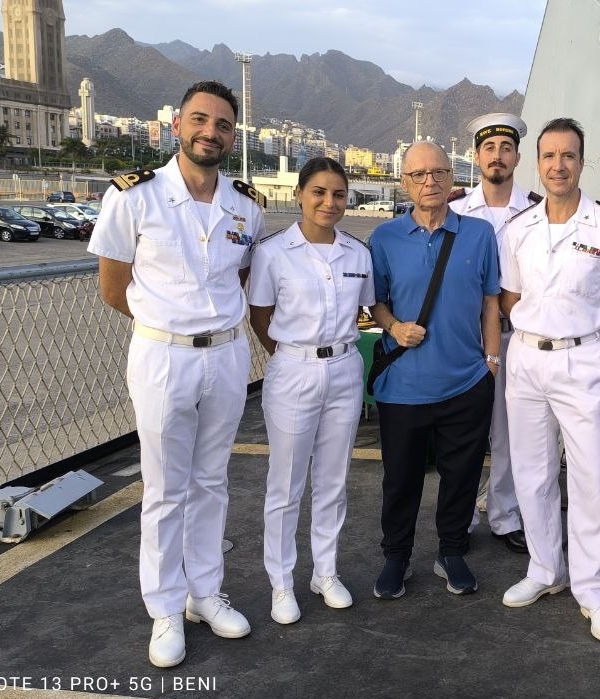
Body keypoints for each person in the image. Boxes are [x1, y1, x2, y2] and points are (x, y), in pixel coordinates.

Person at [89, 81, 266, 668]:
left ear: (232, 136)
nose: (209, 132)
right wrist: (165, 325)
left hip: (226, 353)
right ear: (176, 127)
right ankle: (165, 608)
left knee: (212, 481)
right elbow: (115, 289)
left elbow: (238, 280)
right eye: (199, 120)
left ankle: (204, 594)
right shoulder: (133, 197)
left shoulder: (245, 204)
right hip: (163, 355)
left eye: (221, 124)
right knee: (165, 489)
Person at [499, 118, 600, 643]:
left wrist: (590, 342)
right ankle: (546, 571)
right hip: (526, 360)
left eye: (568, 155)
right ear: (537, 163)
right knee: (533, 475)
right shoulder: (517, 229)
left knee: (589, 479)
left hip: (582, 362)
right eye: (548, 156)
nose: (557, 165)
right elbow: (511, 299)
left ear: (582, 162)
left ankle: (596, 591)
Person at [369, 142, 500, 599]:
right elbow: (376, 301)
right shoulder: (384, 238)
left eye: (439, 172)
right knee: (400, 479)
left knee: (461, 475)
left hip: (466, 383)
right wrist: (393, 326)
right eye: (420, 174)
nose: (430, 182)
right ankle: (396, 557)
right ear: (405, 182)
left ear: (452, 178)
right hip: (403, 387)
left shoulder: (480, 234)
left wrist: (491, 362)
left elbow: (490, 302)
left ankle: (452, 550)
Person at [248, 157, 375, 625]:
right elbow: (260, 314)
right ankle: (282, 583)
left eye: (339, 194)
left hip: (344, 368)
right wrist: (288, 355)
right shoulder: (273, 252)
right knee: (285, 484)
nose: (329, 202)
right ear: (300, 195)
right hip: (294, 370)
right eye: (319, 192)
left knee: (333, 479)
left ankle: (326, 572)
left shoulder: (357, 253)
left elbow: (367, 308)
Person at [448, 112, 541, 555]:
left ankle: (505, 516)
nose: (497, 156)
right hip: (467, 337)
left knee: (511, 432)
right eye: (489, 148)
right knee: (465, 431)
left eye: (506, 148)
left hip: (518, 337)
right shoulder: (455, 210)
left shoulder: (540, 210)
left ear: (517, 157)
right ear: (476, 156)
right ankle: (462, 517)